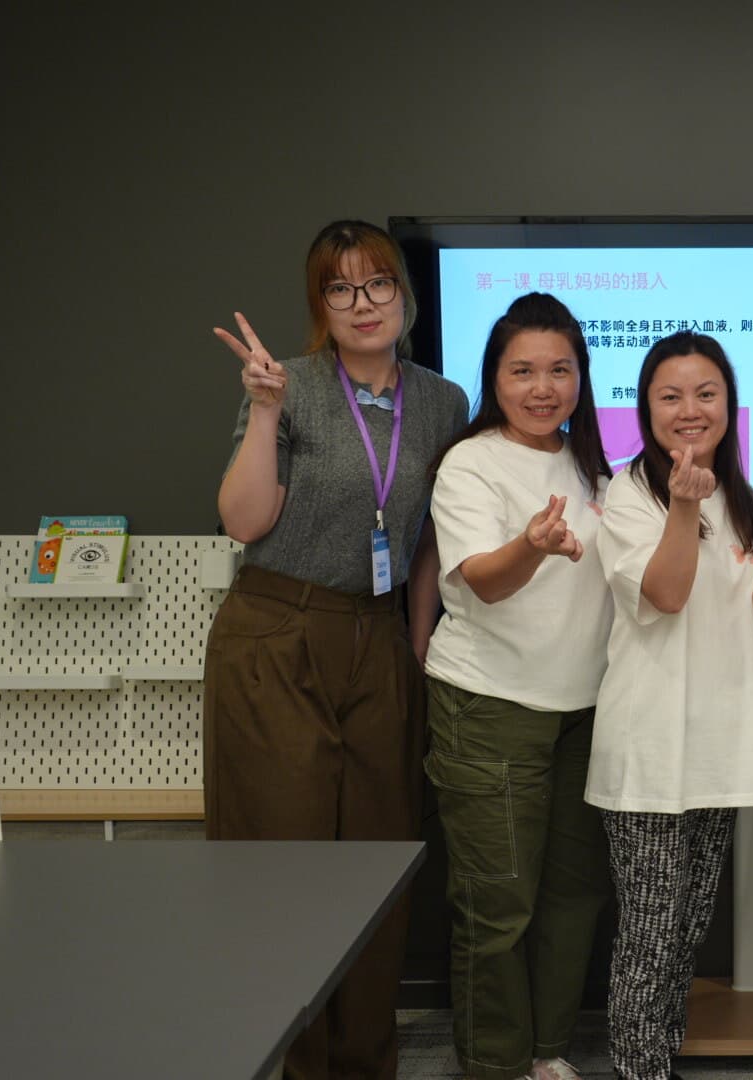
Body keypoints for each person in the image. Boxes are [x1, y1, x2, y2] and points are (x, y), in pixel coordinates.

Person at [205, 219, 469, 1079]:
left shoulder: (441, 401)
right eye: (340, 289)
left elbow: (430, 536)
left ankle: (367, 1063)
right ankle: (297, 1064)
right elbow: (244, 522)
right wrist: (266, 409)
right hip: (279, 635)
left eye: (378, 283)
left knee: (379, 868)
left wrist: (419, 644)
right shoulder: (288, 384)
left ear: (405, 293)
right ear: (319, 304)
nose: (363, 304)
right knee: (284, 869)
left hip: (381, 636)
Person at [421, 293, 613, 1080]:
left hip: (586, 710)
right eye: (523, 370)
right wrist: (532, 544)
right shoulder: (468, 462)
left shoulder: (595, 463)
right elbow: (486, 584)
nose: (543, 387)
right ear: (493, 378)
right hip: (488, 707)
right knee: (498, 905)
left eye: (560, 370)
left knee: (573, 900)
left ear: (582, 377)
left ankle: (547, 1054)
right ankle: (494, 1065)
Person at [585, 331, 753, 1080]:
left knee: (687, 929)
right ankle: (640, 1070)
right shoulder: (627, 493)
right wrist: (678, 510)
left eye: (706, 394)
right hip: (651, 752)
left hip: (721, 745)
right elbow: (664, 596)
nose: (689, 410)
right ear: (645, 408)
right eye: (670, 396)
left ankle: (659, 1058)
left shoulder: (740, 495)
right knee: (651, 933)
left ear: (728, 403)